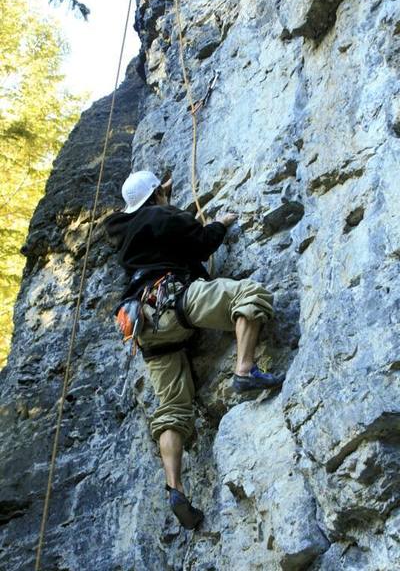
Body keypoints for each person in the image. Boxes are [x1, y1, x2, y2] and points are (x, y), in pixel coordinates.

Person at [105, 170, 284, 530]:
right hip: (174, 300)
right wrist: (218, 223)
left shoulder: (124, 235)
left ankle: (175, 486)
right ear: (157, 193)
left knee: (171, 407)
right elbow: (201, 242)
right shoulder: (160, 214)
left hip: (142, 325)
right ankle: (245, 369)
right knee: (249, 295)